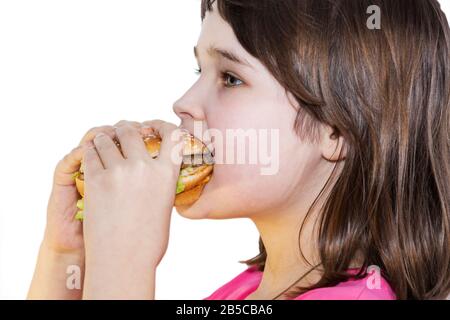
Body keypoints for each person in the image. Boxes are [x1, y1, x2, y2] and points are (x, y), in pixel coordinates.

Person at [28, 0, 450, 300]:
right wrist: (68, 253)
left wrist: (123, 265)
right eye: (199, 69)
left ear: (337, 131)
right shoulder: (253, 288)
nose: (184, 102)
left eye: (230, 78)